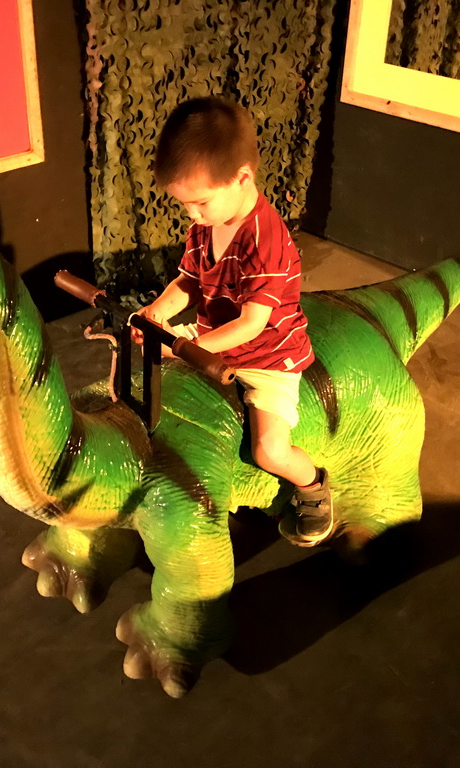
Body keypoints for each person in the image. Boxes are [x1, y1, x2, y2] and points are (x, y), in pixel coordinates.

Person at [134, 96, 333, 547]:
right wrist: (155, 315)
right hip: (211, 339)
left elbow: (251, 324)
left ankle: (313, 487)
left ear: (242, 177)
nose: (192, 214)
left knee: (269, 450)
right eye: (185, 204)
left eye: (199, 202)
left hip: (267, 356)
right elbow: (187, 281)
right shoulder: (205, 226)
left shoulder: (265, 241)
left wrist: (186, 344)